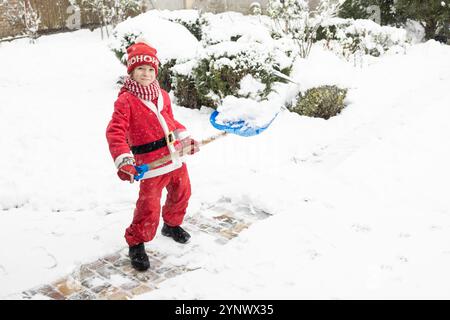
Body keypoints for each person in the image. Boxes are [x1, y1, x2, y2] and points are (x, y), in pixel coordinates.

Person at [106, 40, 199, 271]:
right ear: (132, 71)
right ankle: (136, 241)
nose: (146, 74)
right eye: (140, 69)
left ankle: (172, 225)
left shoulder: (162, 95)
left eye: (150, 69)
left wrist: (185, 139)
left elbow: (170, 120)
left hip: (174, 158)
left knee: (182, 193)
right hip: (150, 164)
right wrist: (124, 161)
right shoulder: (126, 100)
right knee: (148, 206)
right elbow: (115, 131)